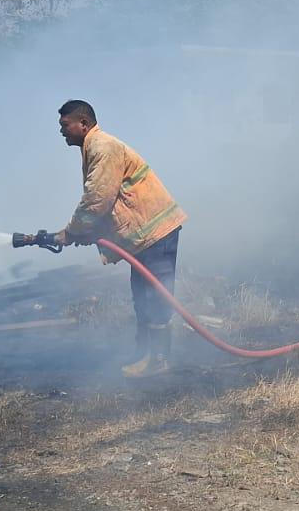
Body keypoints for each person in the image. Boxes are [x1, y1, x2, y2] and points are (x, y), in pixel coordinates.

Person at [23, 100, 186, 378]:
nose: (61, 132)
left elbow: (98, 199)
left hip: (155, 232)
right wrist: (88, 232)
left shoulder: (102, 147)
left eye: (65, 126)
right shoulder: (94, 148)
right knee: (142, 296)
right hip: (145, 234)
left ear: (83, 123)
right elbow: (110, 202)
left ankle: (159, 361)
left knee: (154, 296)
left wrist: (71, 231)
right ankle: (145, 354)